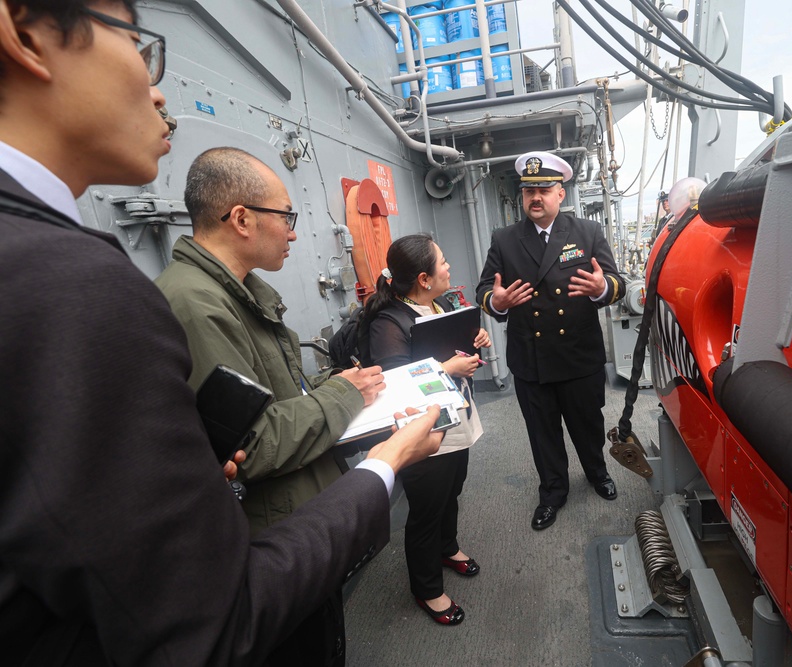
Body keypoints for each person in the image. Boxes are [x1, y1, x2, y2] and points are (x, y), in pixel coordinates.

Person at [0, 1, 441, 664]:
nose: (158, 93)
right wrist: (383, 461)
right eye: (138, 44)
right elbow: (202, 620)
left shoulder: (72, 267)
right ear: (25, 33)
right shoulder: (83, 284)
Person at [154, 146, 386, 665]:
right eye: (286, 217)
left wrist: (332, 384)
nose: (293, 231)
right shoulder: (195, 304)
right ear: (240, 218)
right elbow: (251, 443)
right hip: (270, 538)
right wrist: (345, 394)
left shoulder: (230, 293)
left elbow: (269, 397)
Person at [475, 151, 624, 531]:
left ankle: (597, 473)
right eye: (528, 191)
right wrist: (497, 302)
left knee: (588, 424)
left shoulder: (587, 232)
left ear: (561, 193)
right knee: (543, 434)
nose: (535, 197)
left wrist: (601, 287)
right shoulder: (505, 240)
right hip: (532, 358)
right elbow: (483, 290)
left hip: (578, 354)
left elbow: (616, 282)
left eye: (544, 189)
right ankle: (553, 492)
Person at [360, 234, 491, 626]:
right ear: (423, 277)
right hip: (422, 431)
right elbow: (397, 382)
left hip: (456, 418)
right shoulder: (389, 323)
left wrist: (476, 342)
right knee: (425, 510)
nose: (449, 268)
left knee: (452, 491)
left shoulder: (441, 304)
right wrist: (448, 369)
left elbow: (455, 347)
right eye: (443, 262)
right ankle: (427, 588)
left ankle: (447, 547)